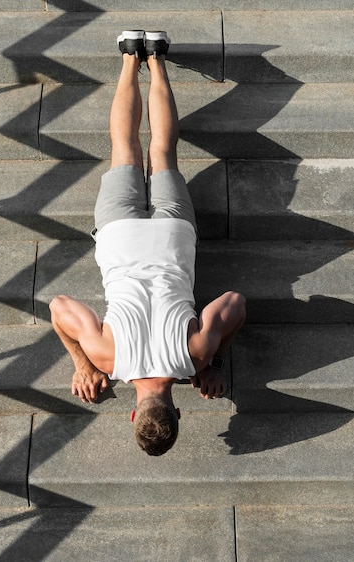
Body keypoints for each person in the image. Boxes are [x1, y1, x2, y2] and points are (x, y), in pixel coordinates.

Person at [49, 30, 246, 456]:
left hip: (171, 237)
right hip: (120, 237)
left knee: (163, 151)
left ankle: (155, 56)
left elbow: (234, 302)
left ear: (178, 413)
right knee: (124, 148)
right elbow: (58, 307)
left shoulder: (194, 354)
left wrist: (213, 363)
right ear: (135, 415)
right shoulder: (106, 356)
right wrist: (82, 363)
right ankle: (128, 56)